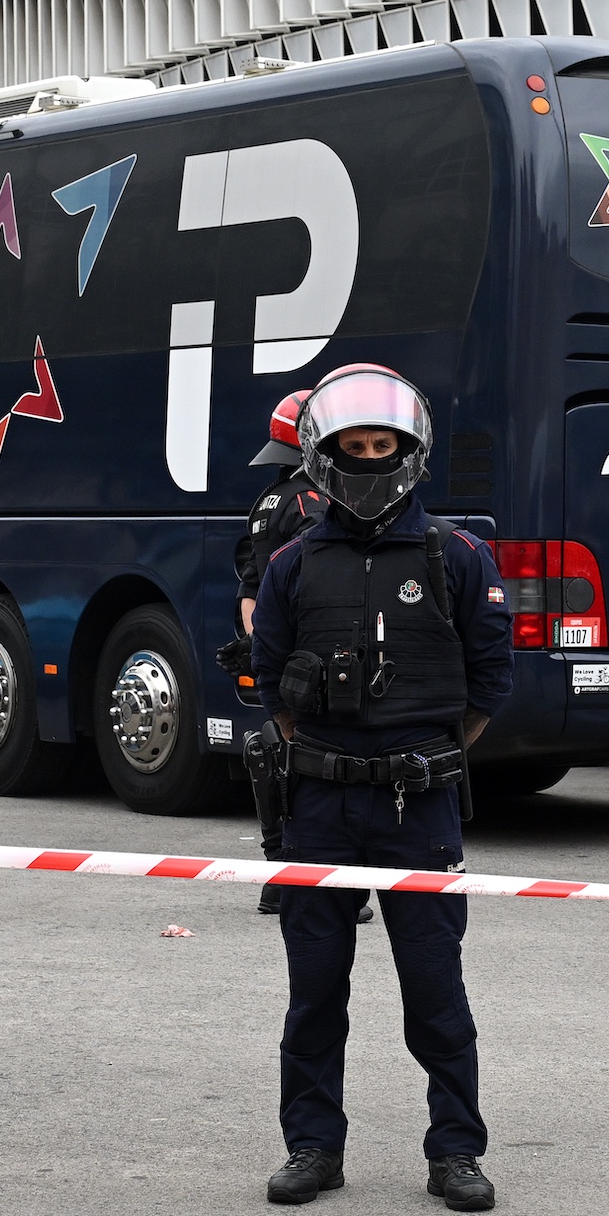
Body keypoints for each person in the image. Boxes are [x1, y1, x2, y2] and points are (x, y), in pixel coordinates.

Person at [247, 366, 512, 1213]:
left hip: (419, 806)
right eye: (353, 446)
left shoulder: (459, 557)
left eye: (382, 445)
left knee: (436, 988)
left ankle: (456, 1151)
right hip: (319, 804)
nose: (369, 459)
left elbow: (489, 683)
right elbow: (266, 680)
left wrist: (419, 756)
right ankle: (313, 1145)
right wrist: (332, 756)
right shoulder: (291, 564)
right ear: (323, 456)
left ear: (409, 450)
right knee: (314, 989)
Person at [235, 388, 332, 918]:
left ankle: (280, 874)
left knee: (271, 749)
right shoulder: (313, 502)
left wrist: (258, 647)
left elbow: (251, 589)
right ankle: (312, 878)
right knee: (322, 762)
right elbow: (322, 582)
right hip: (315, 650)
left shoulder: (266, 501)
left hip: (278, 648)